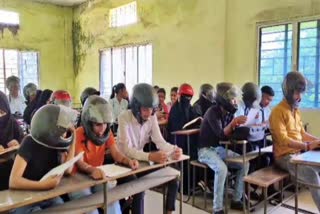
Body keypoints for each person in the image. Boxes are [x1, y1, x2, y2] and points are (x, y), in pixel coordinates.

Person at [117, 83, 182, 214]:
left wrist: (174, 149)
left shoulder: (151, 118)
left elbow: (160, 142)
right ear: (136, 107)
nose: (149, 113)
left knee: (173, 177)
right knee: (138, 188)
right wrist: (149, 156)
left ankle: (168, 212)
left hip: (141, 163)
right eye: (145, 109)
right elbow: (126, 150)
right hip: (123, 164)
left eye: (151, 109)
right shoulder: (124, 117)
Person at [69, 95, 138, 214]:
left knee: (111, 200)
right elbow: (80, 163)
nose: (102, 129)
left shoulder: (106, 133)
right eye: (98, 125)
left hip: (98, 177)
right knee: (90, 209)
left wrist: (128, 161)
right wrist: (91, 170)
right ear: (88, 122)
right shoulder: (78, 133)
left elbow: (116, 153)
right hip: (78, 180)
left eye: (105, 124)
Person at [9, 104, 78, 213]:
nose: (65, 135)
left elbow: (68, 170)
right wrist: (43, 185)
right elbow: (13, 181)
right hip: (25, 197)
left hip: (47, 195)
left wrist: (73, 139)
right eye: (63, 131)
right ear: (52, 129)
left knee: (62, 208)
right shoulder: (29, 142)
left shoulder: (56, 143)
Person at [270, 71, 320, 212]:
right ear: (288, 91)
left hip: (299, 154)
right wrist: (307, 146)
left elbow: (302, 133)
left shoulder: (295, 110)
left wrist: (318, 141)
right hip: (284, 157)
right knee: (311, 174)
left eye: (302, 93)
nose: (300, 97)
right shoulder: (277, 111)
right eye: (297, 93)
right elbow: (283, 140)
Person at [198, 82, 249, 214]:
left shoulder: (228, 113)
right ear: (223, 99)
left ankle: (236, 199)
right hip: (205, 150)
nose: (234, 101)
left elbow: (226, 137)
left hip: (219, 149)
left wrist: (237, 127)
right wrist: (233, 124)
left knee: (245, 163)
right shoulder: (212, 112)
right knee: (222, 169)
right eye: (232, 98)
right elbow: (221, 134)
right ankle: (217, 208)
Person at [0, 91, 24, 190]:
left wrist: (18, 145)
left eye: (2, 112)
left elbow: (26, 147)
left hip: (14, 171)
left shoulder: (13, 123)